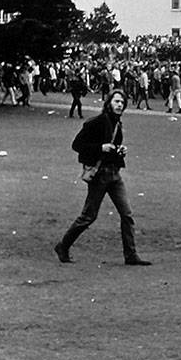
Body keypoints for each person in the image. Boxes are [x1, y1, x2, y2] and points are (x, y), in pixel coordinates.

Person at [55, 90, 151, 266]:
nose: (119, 105)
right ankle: (63, 245)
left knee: (127, 214)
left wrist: (120, 151)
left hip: (114, 174)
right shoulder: (97, 122)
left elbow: (112, 149)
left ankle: (130, 254)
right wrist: (100, 147)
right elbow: (77, 145)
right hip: (99, 175)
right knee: (88, 216)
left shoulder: (117, 124)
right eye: (116, 101)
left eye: (122, 102)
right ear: (109, 103)